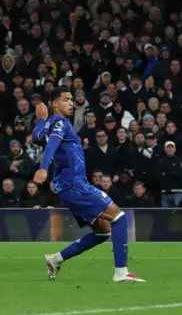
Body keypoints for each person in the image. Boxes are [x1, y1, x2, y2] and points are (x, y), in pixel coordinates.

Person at [31, 87, 144, 282]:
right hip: (75, 184)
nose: (71, 103)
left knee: (103, 232)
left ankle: (56, 259)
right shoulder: (60, 122)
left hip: (68, 187)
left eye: (72, 99)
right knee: (119, 217)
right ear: (54, 103)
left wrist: (41, 119)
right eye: (66, 99)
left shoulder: (50, 124)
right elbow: (50, 145)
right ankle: (121, 272)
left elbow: (37, 138)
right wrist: (43, 167)